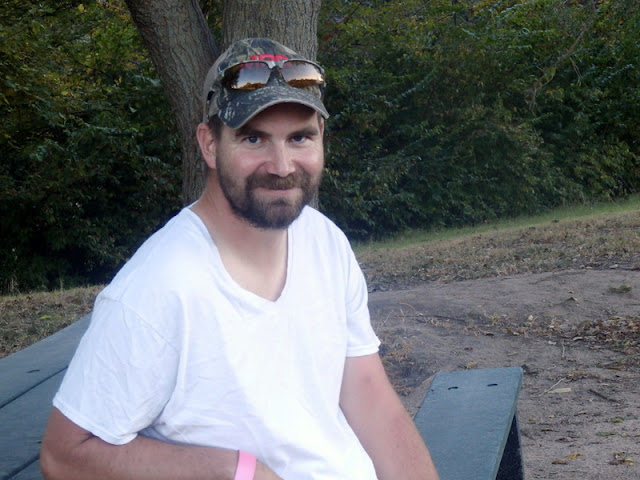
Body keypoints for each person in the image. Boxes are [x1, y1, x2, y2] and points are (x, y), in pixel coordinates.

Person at [40, 38, 440, 480]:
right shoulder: (159, 287)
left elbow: (369, 395)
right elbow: (64, 456)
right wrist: (233, 470)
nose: (282, 165)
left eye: (299, 137)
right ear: (209, 144)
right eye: (253, 138)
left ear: (321, 137)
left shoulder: (324, 240)